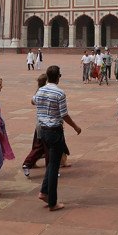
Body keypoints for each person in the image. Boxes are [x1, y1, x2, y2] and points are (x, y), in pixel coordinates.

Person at [34, 65, 82, 211]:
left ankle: (44, 192)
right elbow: (64, 114)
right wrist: (75, 126)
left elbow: (33, 100)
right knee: (54, 167)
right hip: (55, 131)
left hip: (43, 131)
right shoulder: (59, 93)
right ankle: (52, 202)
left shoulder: (40, 90)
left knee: (52, 163)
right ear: (58, 77)